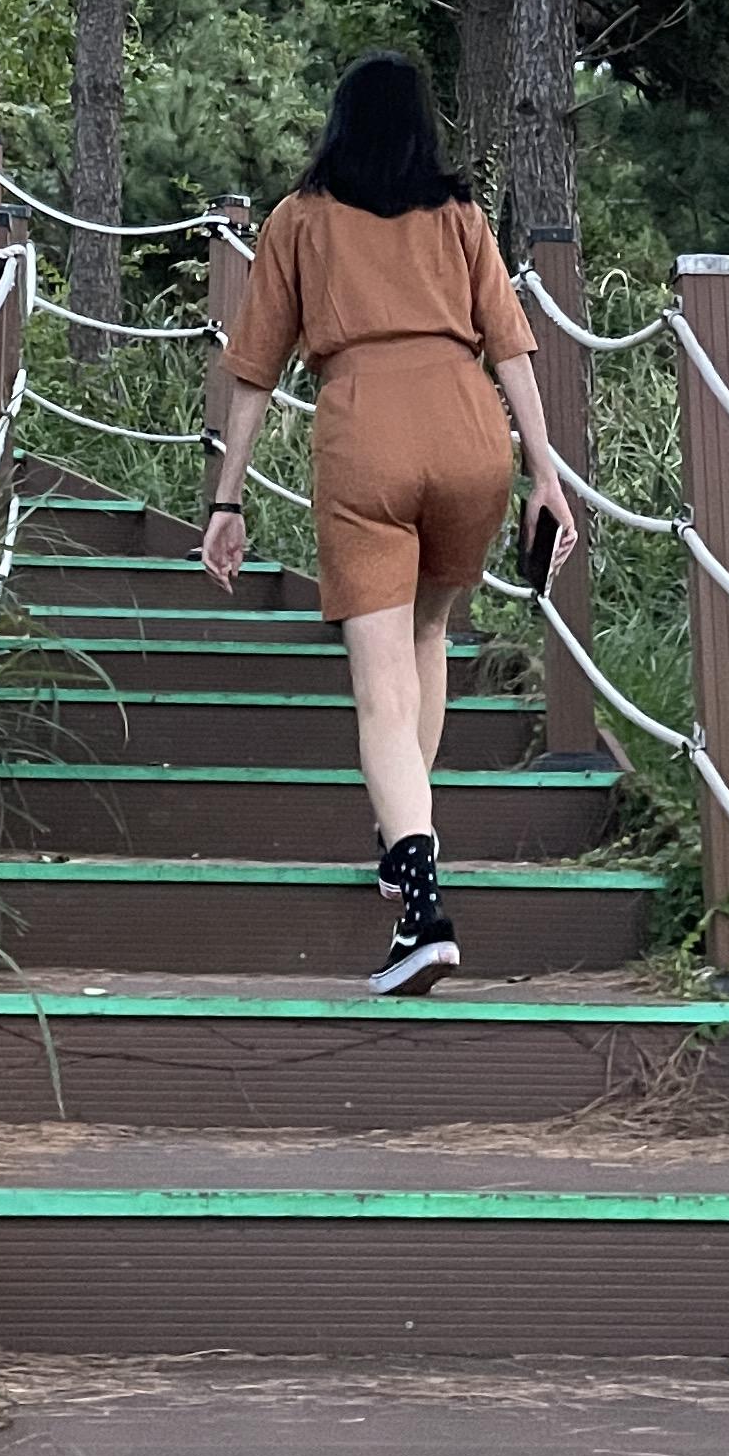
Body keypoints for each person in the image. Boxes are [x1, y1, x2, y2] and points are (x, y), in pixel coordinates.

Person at [202, 51, 579, 993]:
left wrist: (227, 499)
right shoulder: (460, 217)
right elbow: (513, 348)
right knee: (428, 633)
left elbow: (253, 370)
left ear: (338, 122)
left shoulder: (299, 220)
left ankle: (422, 909)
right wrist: (545, 475)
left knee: (378, 689)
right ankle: (404, 829)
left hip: (366, 425)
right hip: (468, 429)